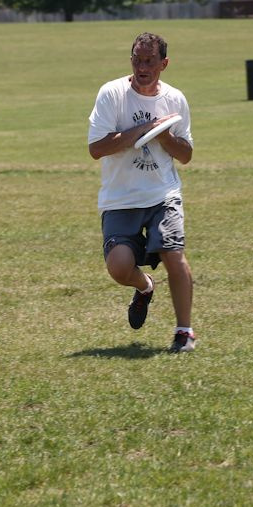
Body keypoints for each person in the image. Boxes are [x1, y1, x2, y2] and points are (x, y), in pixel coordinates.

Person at [87, 32, 197, 352]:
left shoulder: (175, 99)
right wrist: (142, 131)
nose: (142, 67)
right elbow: (96, 149)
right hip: (120, 198)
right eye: (137, 60)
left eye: (150, 61)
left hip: (163, 194)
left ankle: (184, 332)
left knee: (174, 254)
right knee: (119, 267)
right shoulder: (112, 94)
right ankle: (146, 286)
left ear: (164, 63)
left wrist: (165, 137)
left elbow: (186, 155)